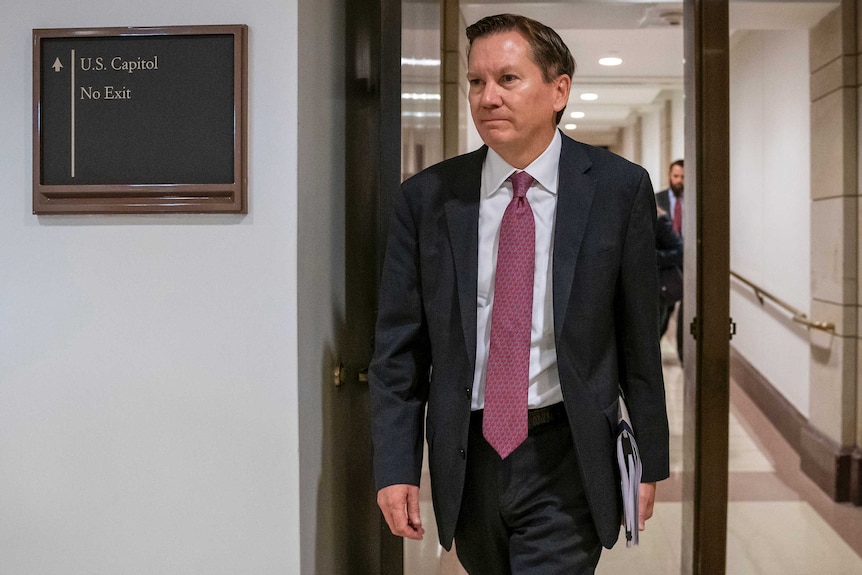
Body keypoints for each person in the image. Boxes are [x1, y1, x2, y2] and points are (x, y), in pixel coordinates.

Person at [369, 13, 669, 574]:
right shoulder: (428, 198)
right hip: (468, 454)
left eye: (508, 79)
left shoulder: (616, 187)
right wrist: (395, 465)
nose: (488, 97)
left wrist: (650, 459)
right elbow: (398, 351)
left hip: (569, 454)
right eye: (477, 82)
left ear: (559, 90)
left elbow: (637, 339)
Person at [655, 159, 684, 362]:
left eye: (683, 177)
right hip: (661, 274)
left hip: (680, 267)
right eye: (676, 176)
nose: (679, 181)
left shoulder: (695, 201)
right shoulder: (657, 200)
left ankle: (684, 356)